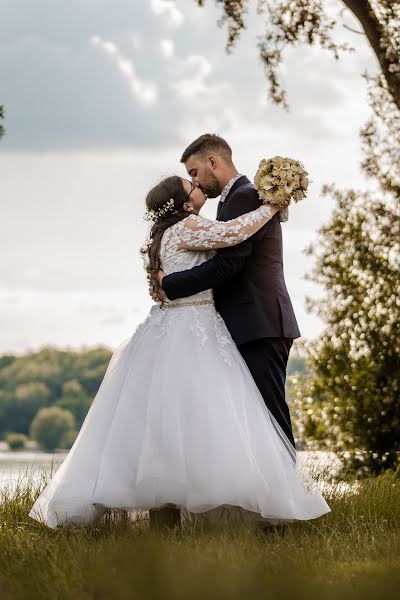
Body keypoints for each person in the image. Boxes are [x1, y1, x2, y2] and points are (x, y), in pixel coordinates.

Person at [28, 174, 330, 530]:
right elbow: (232, 233)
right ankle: (205, 511)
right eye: (191, 186)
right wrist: (271, 206)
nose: (197, 184)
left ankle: (166, 516)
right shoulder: (187, 227)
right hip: (191, 326)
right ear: (184, 203)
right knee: (198, 417)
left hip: (168, 326)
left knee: (165, 423)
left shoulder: (164, 234)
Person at [157, 134, 300, 451]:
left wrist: (171, 284)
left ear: (213, 162)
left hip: (258, 320)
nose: (195, 181)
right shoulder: (237, 197)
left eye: (194, 172)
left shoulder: (245, 196)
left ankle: (290, 495)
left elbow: (229, 265)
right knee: (254, 415)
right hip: (249, 321)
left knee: (270, 414)